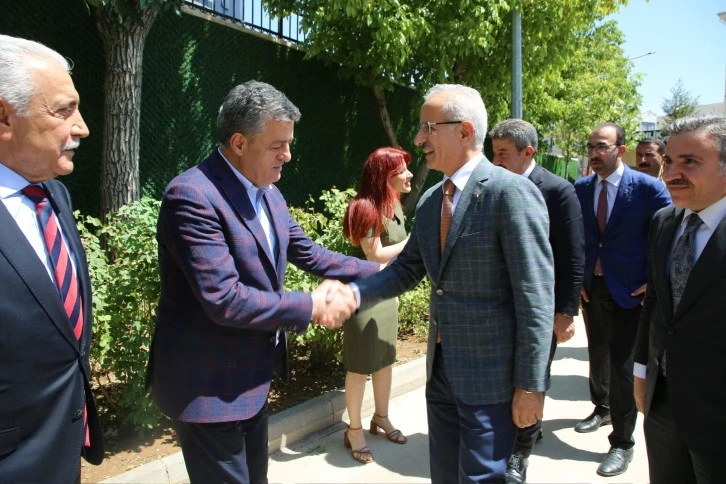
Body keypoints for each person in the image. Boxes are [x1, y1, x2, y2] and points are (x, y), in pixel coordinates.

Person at [146, 80, 380, 483]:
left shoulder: (268, 193)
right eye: (277, 146)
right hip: (207, 388)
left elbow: (310, 254)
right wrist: (312, 305)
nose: (287, 155)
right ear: (239, 143)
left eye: (288, 144)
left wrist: (387, 271)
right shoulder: (192, 196)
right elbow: (225, 299)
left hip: (252, 379)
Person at [347, 84, 555, 482]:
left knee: (482, 478)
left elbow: (535, 298)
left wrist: (531, 386)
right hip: (441, 374)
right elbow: (406, 270)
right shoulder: (430, 201)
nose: (418, 138)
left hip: (492, 380)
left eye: (428, 127)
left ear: (464, 131)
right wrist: (351, 295)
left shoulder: (510, 193)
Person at [0, 35, 104, 481]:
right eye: (63, 111)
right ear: (4, 116)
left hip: (64, 450)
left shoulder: (54, 194)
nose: (81, 128)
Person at [489, 118, 584, 483]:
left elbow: (572, 255)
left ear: (527, 152)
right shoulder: (493, 187)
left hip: (541, 309)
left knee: (532, 375)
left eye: (503, 153)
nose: (495, 161)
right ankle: (520, 432)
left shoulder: (557, 191)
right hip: (500, 306)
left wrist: (566, 311)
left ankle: (519, 454)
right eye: (493, 153)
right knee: (506, 378)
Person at [574, 122, 670, 477]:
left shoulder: (647, 188)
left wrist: (653, 281)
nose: (594, 153)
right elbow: (576, 238)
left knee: (623, 366)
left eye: (602, 146)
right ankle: (601, 408)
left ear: (620, 149)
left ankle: (622, 443)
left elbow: (669, 234)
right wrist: (577, 280)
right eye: (591, 147)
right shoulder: (581, 188)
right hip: (593, 287)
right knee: (597, 353)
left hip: (631, 292)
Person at [634, 114, 726, 482]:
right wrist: (642, 372)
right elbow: (655, 303)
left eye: (690, 161)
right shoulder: (664, 221)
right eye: (669, 161)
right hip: (663, 404)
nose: (672, 173)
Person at [340, 147, 412, 464]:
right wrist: (414, 242)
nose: (409, 175)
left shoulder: (393, 205)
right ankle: (354, 430)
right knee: (359, 367)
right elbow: (375, 254)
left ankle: (381, 417)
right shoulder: (365, 208)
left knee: (384, 360)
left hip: (387, 293)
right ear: (385, 175)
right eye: (402, 170)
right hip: (365, 295)